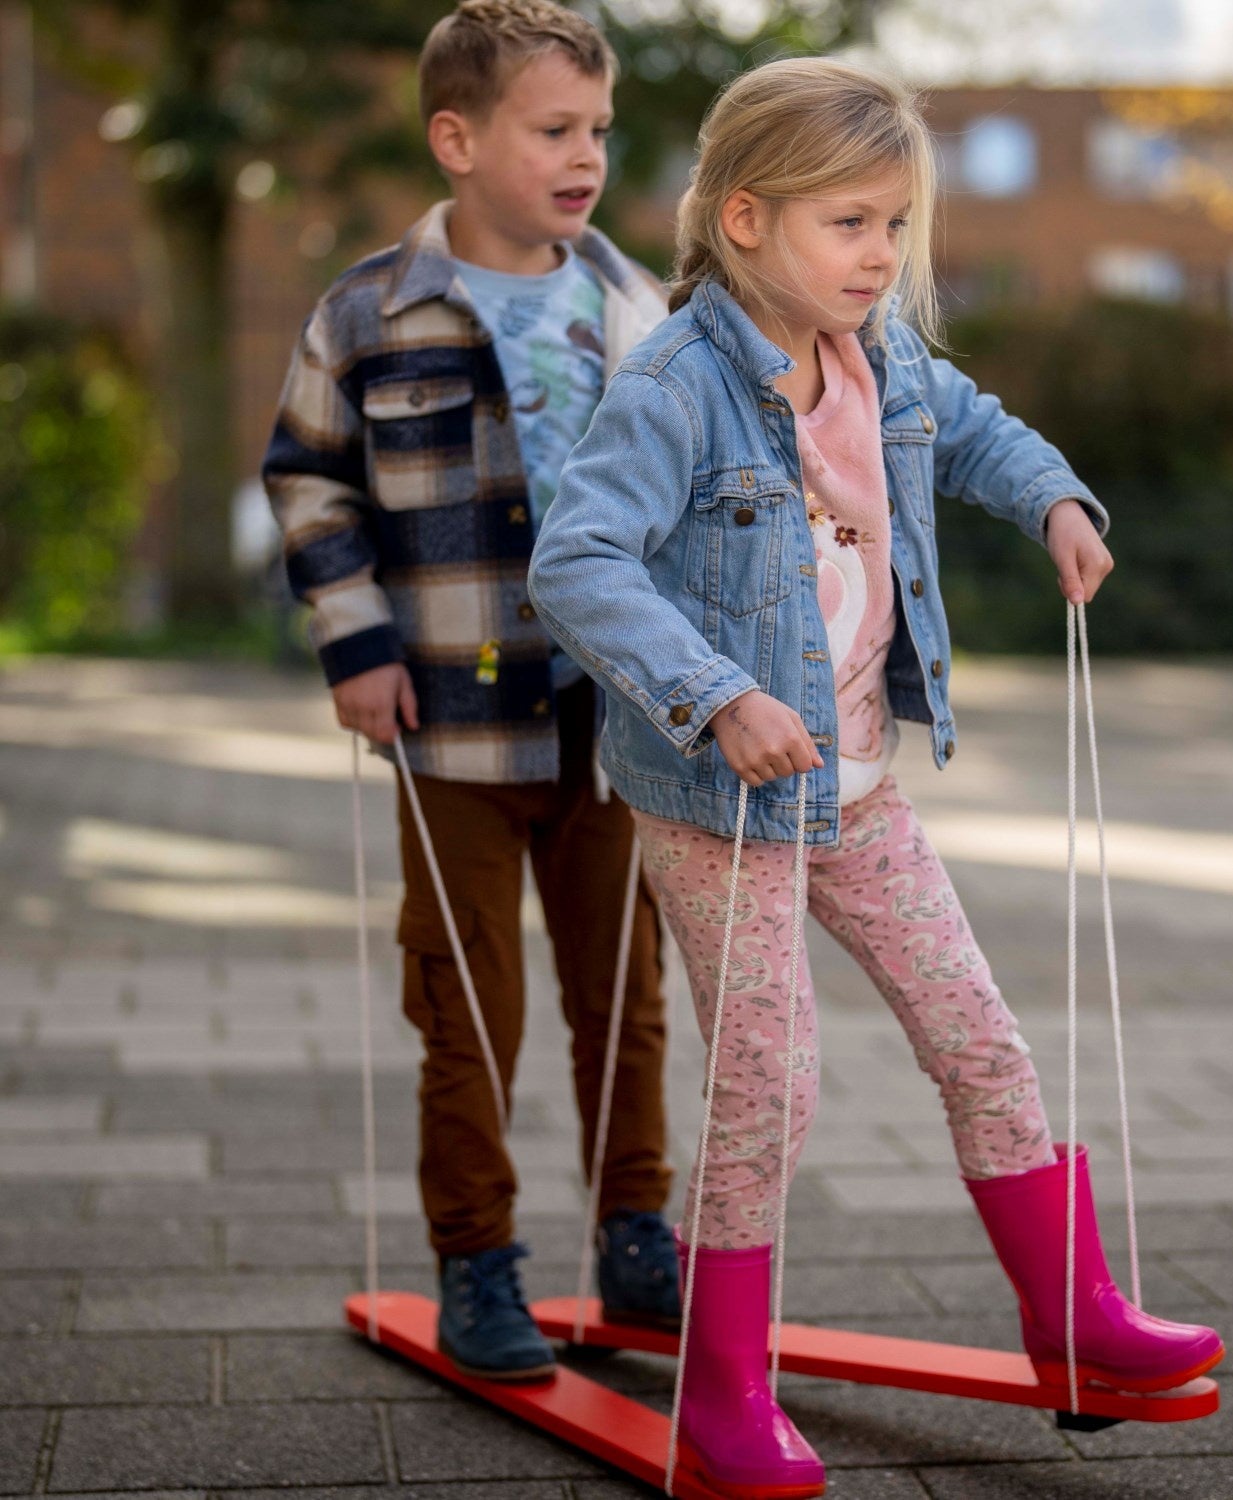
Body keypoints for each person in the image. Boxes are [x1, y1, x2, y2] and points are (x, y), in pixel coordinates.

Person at [529, 57, 1225, 1497]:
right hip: (723, 806)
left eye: (897, 225)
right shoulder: (675, 385)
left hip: (857, 789)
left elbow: (969, 425)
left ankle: (1073, 1318)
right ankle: (725, 1386)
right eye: (850, 224)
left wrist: (1053, 498)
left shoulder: (883, 354)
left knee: (980, 1036)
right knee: (769, 1090)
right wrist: (714, 696)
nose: (882, 257)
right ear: (741, 222)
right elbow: (577, 563)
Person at [262, 0, 682, 1383]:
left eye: (600, 131)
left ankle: (635, 1235)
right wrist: (357, 640)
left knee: (624, 995)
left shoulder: (643, 307)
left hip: (618, 723)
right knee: (466, 998)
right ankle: (477, 1260)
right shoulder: (367, 313)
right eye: (555, 130)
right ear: (457, 137)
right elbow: (309, 479)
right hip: (450, 719)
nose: (588, 157)